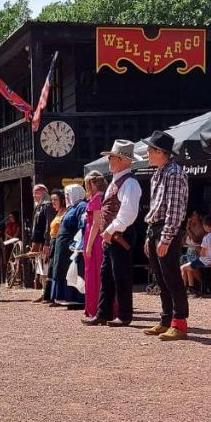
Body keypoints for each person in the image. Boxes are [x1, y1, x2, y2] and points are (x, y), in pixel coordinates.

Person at [84, 140, 142, 327]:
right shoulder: (116, 181)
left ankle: (124, 315)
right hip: (112, 235)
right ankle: (103, 312)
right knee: (107, 275)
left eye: (112, 157)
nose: (109, 160)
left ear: (123, 160)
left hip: (120, 234)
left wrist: (109, 231)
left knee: (121, 275)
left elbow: (128, 213)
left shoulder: (130, 183)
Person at [141, 130, 191, 340]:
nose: (147, 153)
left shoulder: (174, 173)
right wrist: (149, 235)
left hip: (165, 228)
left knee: (171, 277)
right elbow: (156, 208)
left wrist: (166, 236)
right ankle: (166, 319)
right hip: (155, 227)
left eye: (150, 150)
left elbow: (175, 210)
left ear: (161, 152)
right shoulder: (159, 173)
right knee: (161, 278)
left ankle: (179, 322)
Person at [51, 184, 88, 308]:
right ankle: (63, 297)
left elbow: (82, 226)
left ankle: (76, 298)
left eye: (68, 195)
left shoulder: (81, 206)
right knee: (61, 270)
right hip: (63, 246)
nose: (66, 197)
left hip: (71, 246)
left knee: (71, 271)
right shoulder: (72, 207)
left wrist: (77, 243)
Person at [80, 171, 108, 318]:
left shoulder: (97, 198)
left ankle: (94, 306)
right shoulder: (102, 197)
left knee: (94, 272)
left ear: (92, 184)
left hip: (94, 239)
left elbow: (96, 224)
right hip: (93, 236)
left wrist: (89, 246)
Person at [180, 216, 211, 295]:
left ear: (205, 226)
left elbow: (202, 254)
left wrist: (197, 247)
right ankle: (191, 287)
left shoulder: (206, 238)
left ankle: (182, 291)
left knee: (182, 268)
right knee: (188, 266)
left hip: (205, 260)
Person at [38, 190, 67, 304]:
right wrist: (47, 243)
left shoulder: (65, 213)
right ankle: (50, 296)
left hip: (60, 241)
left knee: (56, 269)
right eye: (52, 200)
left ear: (62, 201)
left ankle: (57, 296)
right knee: (51, 269)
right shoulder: (57, 213)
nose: (53, 202)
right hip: (53, 242)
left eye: (56, 199)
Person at [29, 184, 55, 298]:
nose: (34, 195)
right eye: (34, 192)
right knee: (41, 268)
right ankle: (43, 292)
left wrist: (47, 242)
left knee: (46, 268)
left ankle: (47, 293)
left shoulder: (48, 206)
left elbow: (49, 226)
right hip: (38, 242)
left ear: (43, 193)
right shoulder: (38, 207)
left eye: (36, 192)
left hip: (44, 243)